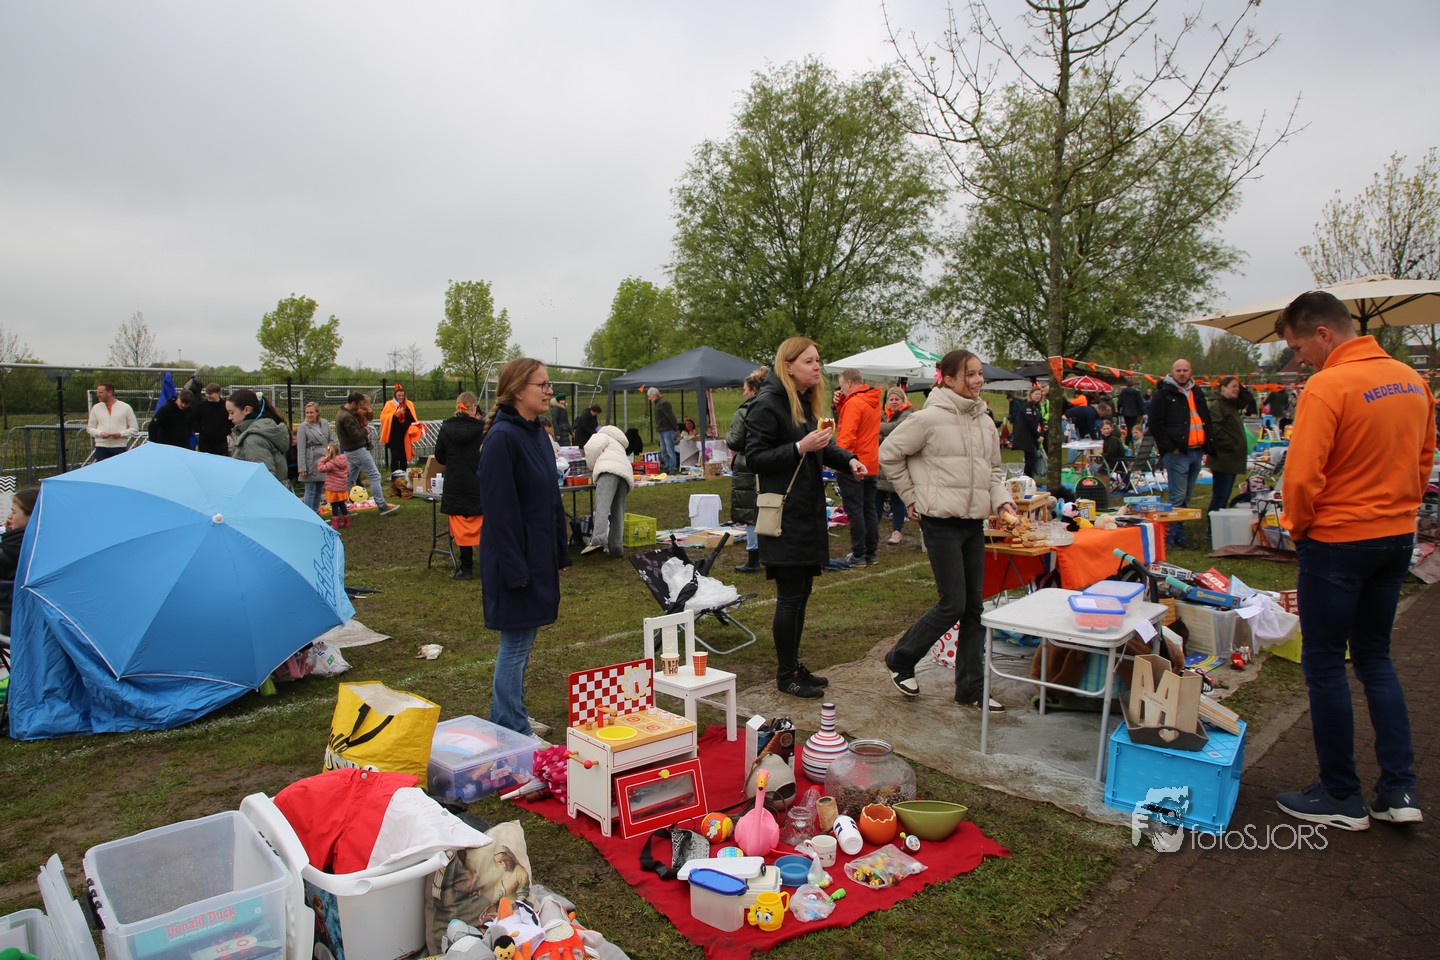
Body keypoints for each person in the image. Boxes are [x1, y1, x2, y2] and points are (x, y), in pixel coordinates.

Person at [1272, 290, 1435, 831]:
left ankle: (1340, 793)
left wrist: (1299, 528)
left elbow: (1301, 476)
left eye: (1299, 348)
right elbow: (1424, 459)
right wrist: (1399, 508)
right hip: (1395, 537)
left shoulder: (1328, 386)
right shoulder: (1411, 380)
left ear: (1323, 334)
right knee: (1375, 658)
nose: (1300, 360)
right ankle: (1399, 788)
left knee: (1324, 663)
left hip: (1338, 540)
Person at [879, 349, 1018, 712]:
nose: (977, 380)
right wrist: (911, 496)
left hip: (973, 522)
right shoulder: (927, 419)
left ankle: (970, 689)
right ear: (950, 379)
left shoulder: (985, 421)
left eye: (979, 373)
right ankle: (900, 658)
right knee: (953, 603)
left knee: (974, 608)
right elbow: (889, 453)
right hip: (940, 522)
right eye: (969, 374)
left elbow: (993, 472)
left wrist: (1003, 502)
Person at [745, 337, 866, 699]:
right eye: (809, 361)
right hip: (784, 516)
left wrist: (848, 460)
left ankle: (794, 666)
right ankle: (786, 675)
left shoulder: (801, 401)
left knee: (802, 593)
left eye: (818, 360)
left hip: (807, 513)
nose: (817, 367)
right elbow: (754, 458)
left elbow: (821, 448)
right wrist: (800, 446)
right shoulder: (768, 404)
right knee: (789, 597)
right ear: (789, 366)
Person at [476, 358, 570, 737]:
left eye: (549, 384)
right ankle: (510, 724)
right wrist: (516, 571)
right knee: (515, 644)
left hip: (537, 555)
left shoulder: (537, 434)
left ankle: (511, 712)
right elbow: (500, 514)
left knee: (524, 642)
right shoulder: (502, 439)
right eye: (542, 385)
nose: (549, 391)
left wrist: (559, 549)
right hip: (515, 561)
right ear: (517, 391)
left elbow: (549, 500)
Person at [1147, 358, 1213, 548]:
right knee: (1177, 497)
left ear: (1191, 371)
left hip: (1195, 450)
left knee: (1186, 496)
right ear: (1172, 372)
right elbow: (1155, 424)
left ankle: (1179, 535)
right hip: (1177, 452)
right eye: (1178, 370)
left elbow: (1204, 417)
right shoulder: (1164, 394)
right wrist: (1170, 447)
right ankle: (1169, 538)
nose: (1182, 374)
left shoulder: (1196, 392)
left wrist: (1207, 442)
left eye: (1185, 370)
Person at [433, 392, 486, 580]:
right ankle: (488, 564)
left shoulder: (446, 428)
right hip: (477, 483)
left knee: (461, 526)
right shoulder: (482, 429)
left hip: (455, 483)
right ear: (473, 407)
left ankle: (466, 567)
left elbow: (439, 456)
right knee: (484, 525)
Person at [833, 368, 881, 567]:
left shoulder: (854, 403)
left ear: (849, 383)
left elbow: (848, 435)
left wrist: (841, 461)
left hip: (854, 464)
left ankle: (858, 554)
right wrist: (841, 403)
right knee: (869, 509)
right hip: (870, 463)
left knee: (855, 511)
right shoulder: (872, 400)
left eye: (841, 385)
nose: (840, 389)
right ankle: (871, 552)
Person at [726, 367, 767, 573]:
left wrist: (729, 434)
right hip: (770, 462)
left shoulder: (745, 411)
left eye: (745, 389)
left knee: (750, 511)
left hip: (749, 464)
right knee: (770, 507)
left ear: (753, 390)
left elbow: (735, 441)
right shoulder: (776, 406)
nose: (744, 393)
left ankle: (754, 557)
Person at [336, 393, 400, 517]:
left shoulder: (341, 413)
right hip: (357, 450)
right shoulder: (347, 417)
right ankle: (382, 505)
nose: (360, 407)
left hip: (349, 452)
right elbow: (355, 436)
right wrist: (364, 431)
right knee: (374, 475)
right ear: (353, 403)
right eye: (359, 404)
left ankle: (340, 508)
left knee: (349, 480)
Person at [582, 423, 635, 557]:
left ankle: (597, 540)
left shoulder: (601, 435)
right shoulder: (618, 442)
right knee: (618, 511)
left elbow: (590, 449)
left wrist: (592, 466)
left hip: (608, 471)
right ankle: (616, 547)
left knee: (602, 506)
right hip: (625, 474)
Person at [876, 386, 914, 545]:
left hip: (898, 462)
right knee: (877, 498)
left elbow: (896, 429)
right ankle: (873, 531)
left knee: (897, 498)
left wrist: (877, 428)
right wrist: (883, 435)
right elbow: (877, 437)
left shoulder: (908, 415)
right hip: (880, 463)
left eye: (897, 399)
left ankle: (897, 531)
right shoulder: (883, 415)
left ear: (903, 400)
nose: (893, 402)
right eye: (891, 399)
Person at [226, 389, 290, 482]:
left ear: (247, 410)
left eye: (232, 412)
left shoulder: (254, 439)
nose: (229, 417)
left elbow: (264, 479)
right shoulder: (264, 430)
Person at [1206, 376, 1247, 514]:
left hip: (1231, 457)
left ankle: (1220, 521)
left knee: (1225, 495)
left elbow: (1247, 399)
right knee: (1220, 495)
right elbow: (1216, 429)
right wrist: (1231, 445)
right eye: (1233, 386)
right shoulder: (1217, 405)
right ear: (1223, 388)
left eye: (1238, 387)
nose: (1237, 389)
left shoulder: (1230, 404)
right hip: (1223, 458)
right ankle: (1214, 522)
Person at [1, 487, 39, 635]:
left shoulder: (16, 547)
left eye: (14, 512)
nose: (10, 517)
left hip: (16, 627)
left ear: (31, 516)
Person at [87, 382, 138, 461]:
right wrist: (100, 433)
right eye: (97, 392)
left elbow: (134, 428)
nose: (98, 395)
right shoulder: (96, 408)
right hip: (101, 447)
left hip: (119, 447)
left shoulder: (125, 407)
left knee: (119, 468)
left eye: (100, 392)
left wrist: (120, 434)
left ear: (110, 392)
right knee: (103, 468)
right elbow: (90, 428)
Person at [295, 402, 331, 514]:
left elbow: (331, 440)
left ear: (317, 413)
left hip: (324, 460)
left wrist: (331, 455)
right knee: (310, 489)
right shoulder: (303, 427)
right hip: (310, 461)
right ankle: (308, 514)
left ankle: (316, 512)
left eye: (311, 412)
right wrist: (302, 467)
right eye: (307, 413)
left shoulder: (325, 423)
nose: (309, 415)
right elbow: (300, 448)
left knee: (319, 489)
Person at [1007, 385, 1045, 479]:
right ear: (1031, 394)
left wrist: (1041, 434)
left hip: (1032, 436)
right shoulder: (1027, 406)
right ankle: (1026, 477)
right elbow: (1030, 422)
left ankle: (1029, 478)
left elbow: (1040, 422)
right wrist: (1038, 436)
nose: (1038, 396)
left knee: (1031, 457)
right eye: (1036, 394)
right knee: (1032, 457)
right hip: (1025, 436)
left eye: (1039, 394)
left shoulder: (1037, 407)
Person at [379, 384, 419, 473]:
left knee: (404, 456)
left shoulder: (409, 404)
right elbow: (384, 418)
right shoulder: (389, 404)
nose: (401, 397)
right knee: (395, 456)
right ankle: (394, 475)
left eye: (402, 395)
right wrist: (396, 414)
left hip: (405, 435)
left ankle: (403, 475)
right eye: (399, 395)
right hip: (393, 436)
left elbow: (413, 418)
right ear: (395, 396)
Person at [316, 442, 352, 529]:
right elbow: (348, 473)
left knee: (334, 506)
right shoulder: (344, 461)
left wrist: (323, 459)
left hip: (333, 489)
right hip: (342, 488)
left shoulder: (331, 463)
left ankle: (335, 524)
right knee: (342, 505)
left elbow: (321, 468)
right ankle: (346, 522)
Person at [193, 383, 232, 456]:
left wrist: (226, 431)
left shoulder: (225, 406)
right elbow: (195, 420)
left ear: (218, 393)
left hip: (221, 442)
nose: (208, 396)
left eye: (211, 394)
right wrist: (202, 430)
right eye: (207, 393)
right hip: (205, 442)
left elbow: (231, 421)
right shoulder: (201, 406)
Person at [648, 387, 679, 474]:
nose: (649, 398)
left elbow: (671, 416)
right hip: (661, 430)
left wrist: (676, 429)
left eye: (650, 396)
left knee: (670, 450)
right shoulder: (657, 403)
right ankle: (667, 466)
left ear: (654, 395)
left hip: (667, 429)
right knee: (664, 450)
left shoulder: (664, 403)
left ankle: (672, 468)